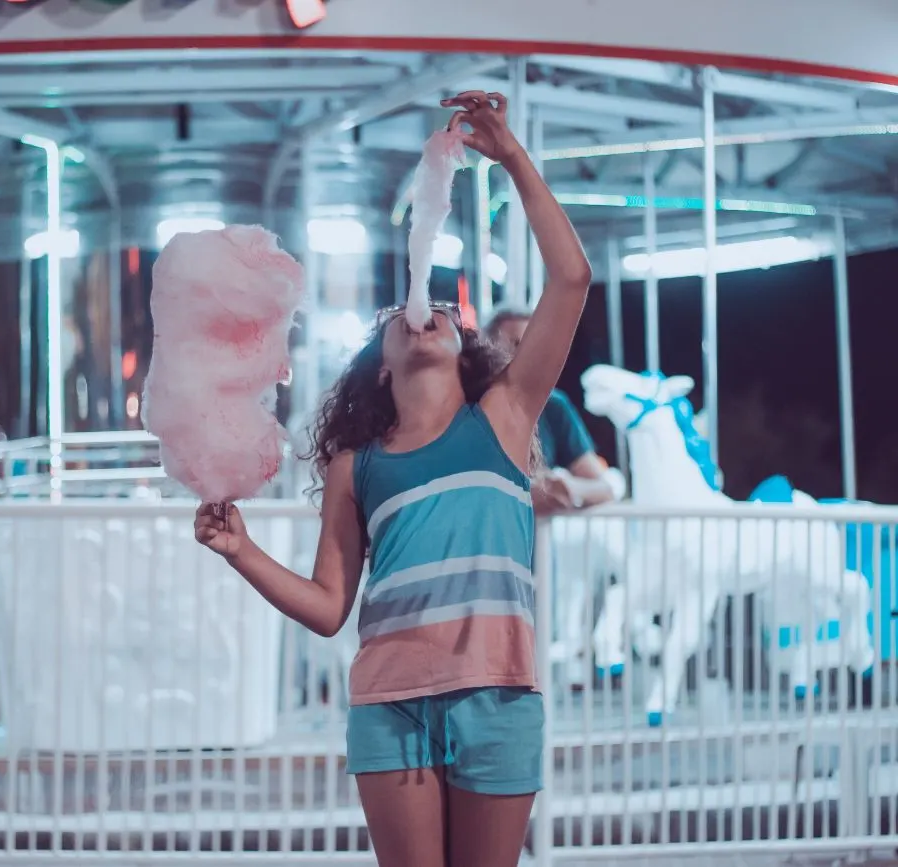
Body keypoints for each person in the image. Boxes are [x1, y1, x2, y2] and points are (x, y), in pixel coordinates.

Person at [195, 91, 591, 867]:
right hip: (390, 705)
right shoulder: (356, 465)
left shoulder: (506, 416)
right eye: (407, 310)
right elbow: (328, 606)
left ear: (461, 341)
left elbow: (571, 279)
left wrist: (510, 157)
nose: (429, 307)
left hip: (499, 697)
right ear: (377, 364)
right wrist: (240, 549)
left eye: (446, 307)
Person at [486, 308, 617, 515]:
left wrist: (565, 487)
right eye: (516, 345)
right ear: (487, 350)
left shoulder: (553, 405)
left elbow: (604, 488)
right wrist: (523, 493)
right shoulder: (467, 406)